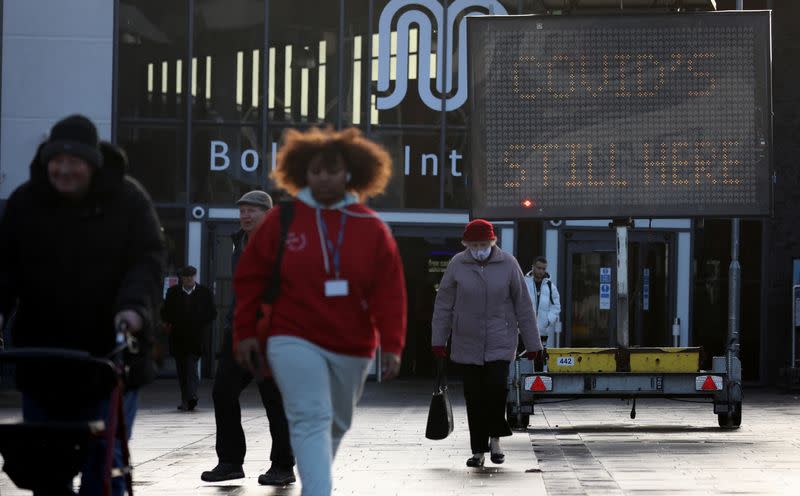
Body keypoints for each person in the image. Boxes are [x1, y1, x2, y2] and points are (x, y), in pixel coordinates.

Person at [233, 127, 407, 496]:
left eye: (333, 170)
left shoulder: (371, 227)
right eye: (316, 170)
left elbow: (389, 291)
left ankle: (316, 478)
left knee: (336, 422)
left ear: (351, 173)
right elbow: (249, 280)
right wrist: (244, 331)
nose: (324, 177)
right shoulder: (281, 220)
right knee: (310, 416)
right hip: (291, 336)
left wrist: (392, 343)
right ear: (301, 174)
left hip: (352, 344)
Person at [0, 114, 165, 495]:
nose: (64, 169)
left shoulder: (128, 200)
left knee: (103, 470)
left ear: (92, 163)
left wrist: (133, 310)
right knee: (45, 472)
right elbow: (4, 267)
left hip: (106, 357)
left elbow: (147, 261)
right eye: (57, 160)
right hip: (44, 359)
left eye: (74, 161)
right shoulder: (26, 202)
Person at [201, 190, 296, 486]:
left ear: (267, 214)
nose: (245, 215)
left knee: (275, 400)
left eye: (252, 210)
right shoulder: (238, 243)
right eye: (242, 210)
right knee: (222, 392)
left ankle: (283, 466)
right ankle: (230, 462)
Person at [431, 219, 542, 468]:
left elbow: (523, 305)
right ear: (466, 244)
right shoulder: (457, 264)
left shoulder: (508, 264)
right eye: (474, 244)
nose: (479, 248)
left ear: (493, 242)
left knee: (495, 390)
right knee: (474, 397)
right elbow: (444, 305)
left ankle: (495, 440)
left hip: (500, 341)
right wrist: (439, 339)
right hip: (467, 342)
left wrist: (533, 343)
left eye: (483, 244)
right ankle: (478, 450)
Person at [162, 265, 216, 411]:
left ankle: (191, 396)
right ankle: (186, 398)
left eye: (191, 277)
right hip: (178, 337)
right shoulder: (173, 292)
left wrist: (201, 323)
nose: (189, 280)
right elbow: (165, 312)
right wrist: (170, 323)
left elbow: (212, 313)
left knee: (191, 366)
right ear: (181, 278)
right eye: (186, 277)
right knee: (182, 370)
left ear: (195, 277)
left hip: (196, 337)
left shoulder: (204, 292)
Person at [525, 256, 561, 348]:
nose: (541, 271)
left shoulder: (550, 286)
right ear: (532, 267)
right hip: (524, 331)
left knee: (539, 360)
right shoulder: (523, 283)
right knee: (523, 359)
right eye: (538, 268)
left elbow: (556, 307)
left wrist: (548, 320)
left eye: (543, 269)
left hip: (542, 332)